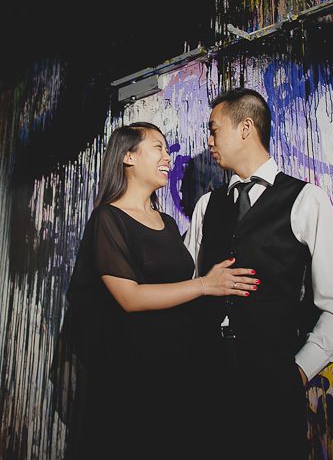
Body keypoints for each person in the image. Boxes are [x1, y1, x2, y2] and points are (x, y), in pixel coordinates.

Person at [61, 122, 257, 459]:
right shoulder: (107, 219)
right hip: (135, 378)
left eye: (166, 150)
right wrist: (205, 285)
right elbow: (130, 297)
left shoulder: (166, 222)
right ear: (128, 157)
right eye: (158, 148)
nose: (168, 157)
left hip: (179, 371)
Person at [184, 88, 333, 459]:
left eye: (214, 130)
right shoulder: (206, 207)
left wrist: (296, 373)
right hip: (206, 383)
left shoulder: (307, 200)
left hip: (273, 387)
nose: (209, 140)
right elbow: (184, 290)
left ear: (246, 127)